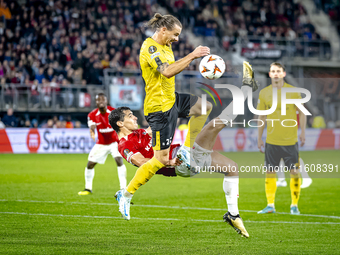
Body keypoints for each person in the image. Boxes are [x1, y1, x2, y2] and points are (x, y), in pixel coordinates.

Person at [110, 62, 258, 239]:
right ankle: (246, 91)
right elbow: (142, 163)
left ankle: (233, 214)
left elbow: (155, 128)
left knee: (232, 168)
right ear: (120, 124)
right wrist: (169, 161)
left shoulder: (140, 133)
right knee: (214, 124)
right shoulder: (124, 145)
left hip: (182, 156)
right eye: (129, 116)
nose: (134, 117)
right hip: (179, 163)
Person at [115, 13, 213, 217]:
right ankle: (126, 193)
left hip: (171, 99)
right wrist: (193, 56)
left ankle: (186, 149)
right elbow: (166, 72)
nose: (177, 39)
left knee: (204, 107)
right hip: (159, 108)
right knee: (159, 160)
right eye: (175, 34)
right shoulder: (150, 48)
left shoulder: (167, 47)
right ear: (163, 30)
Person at [257, 62, 306, 215]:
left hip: (290, 141)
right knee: (270, 173)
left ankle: (294, 206)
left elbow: (302, 112)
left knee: (294, 173)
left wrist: (303, 132)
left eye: (279, 71)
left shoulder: (293, 92)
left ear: (283, 74)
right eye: (273, 71)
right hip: (271, 141)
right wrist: (259, 137)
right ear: (270, 74)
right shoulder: (264, 93)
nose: (276, 73)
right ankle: (270, 205)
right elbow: (261, 116)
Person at [78, 93, 127, 195]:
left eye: (102, 100)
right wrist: (92, 132)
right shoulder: (92, 115)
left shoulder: (113, 112)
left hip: (114, 142)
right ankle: (88, 189)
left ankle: (123, 188)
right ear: (96, 102)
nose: (101, 102)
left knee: (119, 160)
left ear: (106, 101)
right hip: (102, 143)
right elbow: (92, 127)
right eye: (98, 100)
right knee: (90, 164)